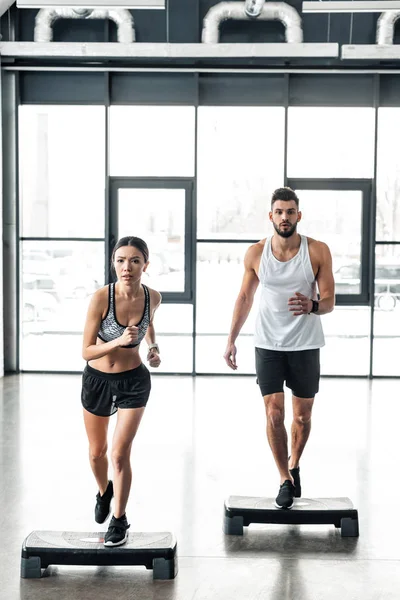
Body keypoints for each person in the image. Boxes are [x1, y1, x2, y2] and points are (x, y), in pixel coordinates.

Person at [223, 187, 335, 509]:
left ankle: (295, 463)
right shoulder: (256, 254)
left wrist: (312, 305)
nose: (284, 217)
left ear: (298, 215)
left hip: (305, 344)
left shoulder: (317, 251)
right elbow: (245, 298)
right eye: (279, 212)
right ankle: (284, 478)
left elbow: (329, 301)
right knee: (274, 413)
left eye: (290, 212)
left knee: (302, 416)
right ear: (270, 216)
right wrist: (231, 339)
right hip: (268, 344)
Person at [81, 236, 162, 546]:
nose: (127, 267)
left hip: (134, 382)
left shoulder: (153, 297)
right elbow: (86, 351)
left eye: (134, 261)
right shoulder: (102, 298)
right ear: (113, 263)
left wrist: (152, 347)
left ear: (145, 264)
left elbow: (149, 324)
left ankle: (119, 519)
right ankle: (104, 492)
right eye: (120, 260)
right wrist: (117, 341)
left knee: (119, 454)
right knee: (97, 452)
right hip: (98, 380)